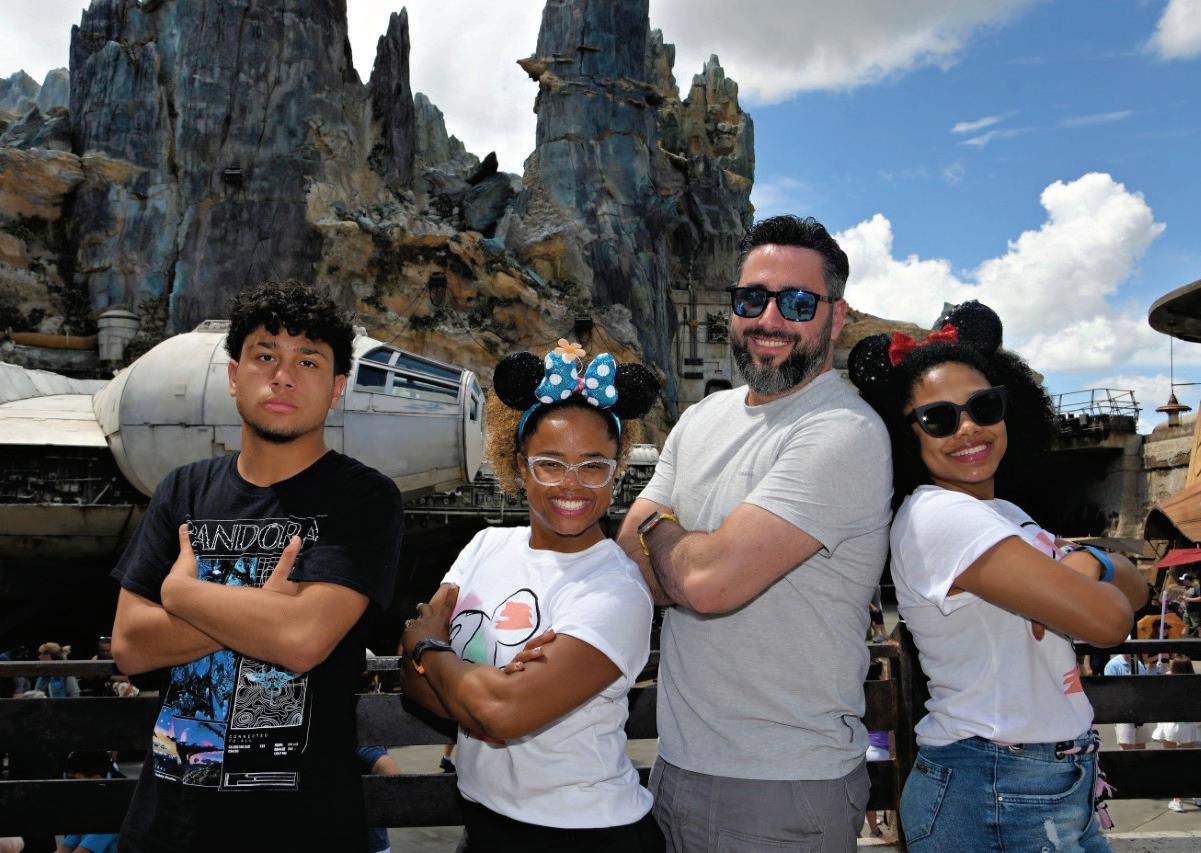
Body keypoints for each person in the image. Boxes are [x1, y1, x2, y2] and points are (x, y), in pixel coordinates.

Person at [618, 215, 893, 851]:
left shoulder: (842, 431)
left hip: (782, 785)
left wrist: (660, 525)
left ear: (836, 316)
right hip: (676, 766)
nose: (770, 319)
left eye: (797, 303)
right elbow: (627, 563)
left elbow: (709, 584)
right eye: (752, 299)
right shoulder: (701, 417)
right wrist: (682, 557)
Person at [109, 280, 404, 851]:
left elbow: (300, 640)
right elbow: (130, 646)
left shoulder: (363, 499)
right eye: (265, 355)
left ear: (337, 388)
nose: (283, 375)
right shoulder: (183, 490)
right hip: (168, 826)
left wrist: (184, 594)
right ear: (232, 375)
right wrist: (262, 609)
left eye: (308, 361)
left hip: (303, 828)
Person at [848, 300, 1147, 852]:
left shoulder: (1003, 514)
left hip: (1046, 779)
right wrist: (1088, 571)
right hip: (995, 785)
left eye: (984, 407)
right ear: (906, 435)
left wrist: (1091, 563)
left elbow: (1137, 587)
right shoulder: (941, 518)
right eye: (939, 418)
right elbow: (1108, 620)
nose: (968, 428)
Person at [401, 342, 664, 851]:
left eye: (593, 465)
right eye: (550, 463)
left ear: (616, 472)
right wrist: (483, 695)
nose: (572, 485)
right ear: (521, 467)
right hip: (485, 823)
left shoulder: (616, 590)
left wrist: (430, 648)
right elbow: (414, 686)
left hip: (585, 835)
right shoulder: (484, 546)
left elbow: (498, 712)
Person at [1151, 655, 1200, 812]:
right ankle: (1195, 793)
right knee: (1188, 762)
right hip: (1188, 726)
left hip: (1170, 725)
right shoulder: (1194, 682)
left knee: (1172, 762)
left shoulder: (1168, 680)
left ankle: (1177, 799)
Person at [57, 752, 122, 853]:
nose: (70, 788)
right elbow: (65, 848)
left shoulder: (112, 808)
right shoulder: (87, 805)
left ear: (96, 780)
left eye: (74, 781)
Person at [1103, 651, 1152, 750]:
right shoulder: (1112, 665)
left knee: (1141, 746)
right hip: (1123, 712)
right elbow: (1110, 690)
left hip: (1139, 711)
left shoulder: (1139, 664)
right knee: (1126, 747)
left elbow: (1145, 685)